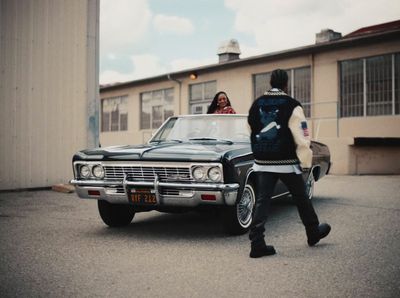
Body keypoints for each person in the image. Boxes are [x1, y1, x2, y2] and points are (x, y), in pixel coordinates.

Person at [247, 69, 331, 258]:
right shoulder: (293, 105)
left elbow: (250, 129)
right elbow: (302, 137)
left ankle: (257, 243)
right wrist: (306, 163)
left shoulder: (256, 104)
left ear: (270, 82)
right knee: (301, 198)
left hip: (262, 161)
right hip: (286, 161)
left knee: (262, 201)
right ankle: (313, 232)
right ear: (286, 84)